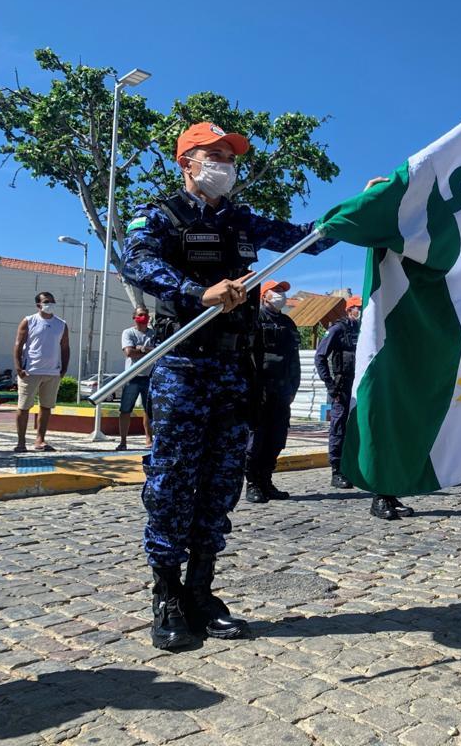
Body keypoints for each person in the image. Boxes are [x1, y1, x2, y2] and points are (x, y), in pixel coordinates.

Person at [121, 122, 339, 650]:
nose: (224, 163)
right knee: (173, 483)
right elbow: (135, 260)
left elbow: (310, 239)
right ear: (186, 163)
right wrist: (197, 291)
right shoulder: (161, 215)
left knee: (221, 483)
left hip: (234, 371)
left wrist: (371, 201)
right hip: (183, 367)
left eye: (230, 156)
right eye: (213, 155)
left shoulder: (241, 219)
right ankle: (167, 595)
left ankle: (202, 591)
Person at [315, 296, 414, 520]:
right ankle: (337, 470)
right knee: (340, 428)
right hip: (343, 387)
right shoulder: (338, 329)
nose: (360, 311)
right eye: (357, 308)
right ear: (349, 310)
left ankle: (359, 470)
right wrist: (330, 384)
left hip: (365, 389)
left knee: (364, 430)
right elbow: (321, 356)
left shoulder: (368, 329)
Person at [245, 280, 301, 503]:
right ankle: (252, 483)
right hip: (260, 390)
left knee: (277, 438)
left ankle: (266, 480)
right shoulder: (255, 319)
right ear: (264, 296)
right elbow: (247, 354)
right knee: (256, 439)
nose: (280, 295)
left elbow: (294, 358)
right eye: (276, 291)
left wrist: (294, 386)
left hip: (282, 390)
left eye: (282, 292)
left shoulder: (288, 322)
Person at [12, 292, 70, 453]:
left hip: (52, 373)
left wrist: (63, 368)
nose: (50, 304)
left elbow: (65, 347)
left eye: (52, 301)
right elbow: (18, 344)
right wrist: (18, 367)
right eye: (46, 301)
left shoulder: (61, 324)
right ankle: (21, 442)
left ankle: (40, 440)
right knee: (23, 407)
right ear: (38, 305)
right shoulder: (29, 321)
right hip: (30, 371)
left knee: (46, 407)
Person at [117, 307, 156, 451]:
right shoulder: (128, 332)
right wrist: (146, 351)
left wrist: (142, 349)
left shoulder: (154, 334)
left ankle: (149, 439)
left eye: (145, 315)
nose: (143, 317)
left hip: (149, 376)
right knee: (126, 410)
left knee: (149, 411)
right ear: (134, 317)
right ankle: (123, 442)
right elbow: (129, 352)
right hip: (132, 377)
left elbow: (159, 351)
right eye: (140, 315)